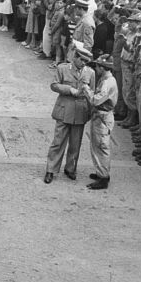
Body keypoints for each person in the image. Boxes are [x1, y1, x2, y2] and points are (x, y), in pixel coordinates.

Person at [44, 41, 95, 184]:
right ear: (75, 57)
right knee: (58, 142)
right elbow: (54, 85)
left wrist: (89, 112)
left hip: (80, 112)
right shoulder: (63, 68)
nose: (84, 63)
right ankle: (51, 169)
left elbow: (93, 92)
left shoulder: (91, 73)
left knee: (75, 144)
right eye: (81, 59)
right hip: (64, 110)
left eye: (86, 61)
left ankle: (71, 168)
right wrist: (69, 90)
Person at [85, 55, 119, 191]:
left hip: (103, 117)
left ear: (102, 68)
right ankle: (101, 172)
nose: (96, 69)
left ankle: (103, 177)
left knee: (101, 146)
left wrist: (86, 89)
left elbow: (96, 100)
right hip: (100, 116)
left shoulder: (107, 83)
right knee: (97, 145)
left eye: (98, 66)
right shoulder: (106, 79)